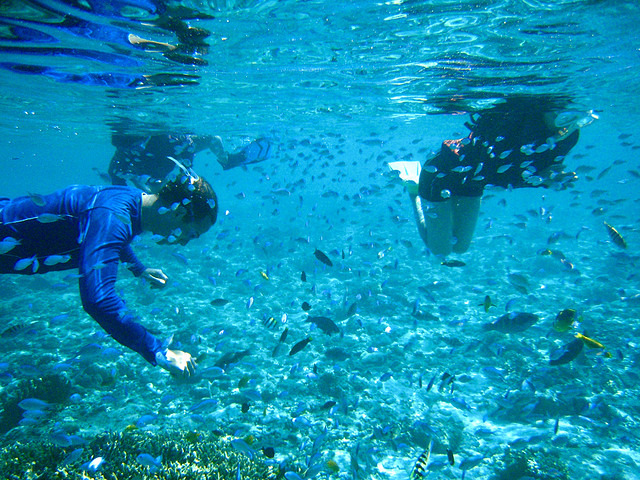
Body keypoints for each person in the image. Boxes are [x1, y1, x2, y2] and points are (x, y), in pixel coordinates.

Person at [0, 170, 217, 377]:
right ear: (179, 212)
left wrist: (137, 268)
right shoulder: (113, 216)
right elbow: (98, 300)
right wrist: (160, 352)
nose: (186, 242)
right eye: (192, 234)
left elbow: (103, 234)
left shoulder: (134, 202)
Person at [402, 95, 596, 257]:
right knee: (441, 251)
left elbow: (545, 169)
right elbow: (501, 176)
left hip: (474, 181)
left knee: (460, 248)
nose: (567, 125)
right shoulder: (513, 123)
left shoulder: (570, 137)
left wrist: (552, 177)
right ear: (544, 110)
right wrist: (541, 180)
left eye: (576, 119)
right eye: (560, 116)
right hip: (442, 174)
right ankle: (414, 190)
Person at [108, 132, 273, 192]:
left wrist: (186, 172)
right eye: (125, 148)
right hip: (156, 171)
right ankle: (229, 160)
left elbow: (204, 142)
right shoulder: (121, 160)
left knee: (213, 140)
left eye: (137, 145)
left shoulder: (167, 139)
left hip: (171, 156)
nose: (134, 150)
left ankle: (228, 160)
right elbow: (119, 187)